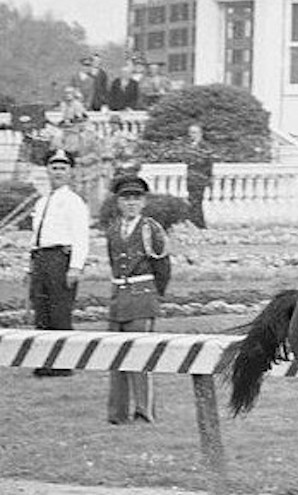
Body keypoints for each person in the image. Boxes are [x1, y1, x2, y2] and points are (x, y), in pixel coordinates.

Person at [104, 175, 171, 425]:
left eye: (136, 198)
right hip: (118, 299)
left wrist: (154, 296)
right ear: (118, 202)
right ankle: (118, 413)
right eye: (125, 198)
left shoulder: (149, 229)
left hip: (142, 298)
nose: (131, 203)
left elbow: (162, 268)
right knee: (115, 357)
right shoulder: (113, 230)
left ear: (143, 202)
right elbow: (114, 264)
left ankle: (144, 411)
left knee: (141, 356)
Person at [28, 149, 91, 377]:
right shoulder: (43, 201)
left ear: (70, 171)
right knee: (41, 310)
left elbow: (80, 237)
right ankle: (44, 363)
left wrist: (75, 266)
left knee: (60, 311)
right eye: (54, 167)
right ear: (47, 170)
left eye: (63, 168)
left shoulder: (73, 201)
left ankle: (63, 365)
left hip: (60, 259)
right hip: (42, 259)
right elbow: (37, 237)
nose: (58, 172)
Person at [180, 124, 214, 228]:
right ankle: (194, 223)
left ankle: (200, 224)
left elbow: (208, 164)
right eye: (190, 133)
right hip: (191, 178)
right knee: (192, 201)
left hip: (200, 178)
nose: (191, 135)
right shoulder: (189, 146)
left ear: (200, 133)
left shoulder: (204, 147)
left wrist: (208, 179)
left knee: (197, 202)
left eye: (194, 133)